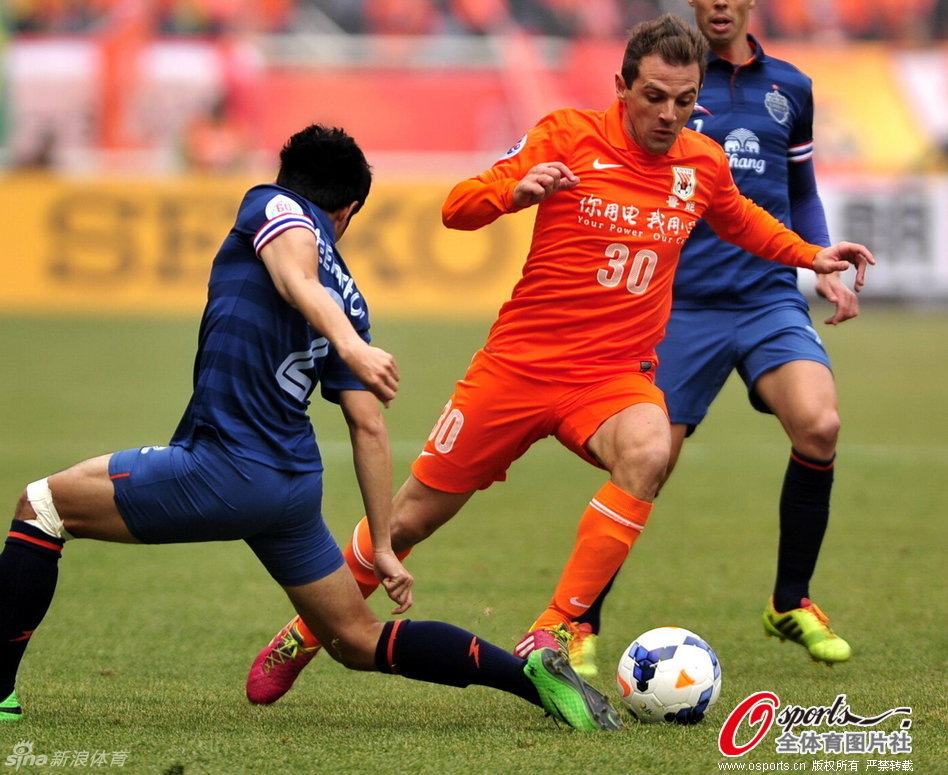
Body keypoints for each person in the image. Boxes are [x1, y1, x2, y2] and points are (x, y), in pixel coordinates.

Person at [246, 15, 872, 708]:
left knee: (649, 448)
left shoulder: (702, 162)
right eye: (654, 96)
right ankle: (304, 632)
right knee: (408, 521)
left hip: (611, 377)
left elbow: (741, 219)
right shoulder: (566, 135)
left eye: (685, 99)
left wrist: (812, 255)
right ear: (621, 87)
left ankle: (552, 630)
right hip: (518, 369)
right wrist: (513, 194)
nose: (669, 114)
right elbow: (457, 207)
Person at [0, 124, 621, 732]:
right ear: (349, 209)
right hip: (292, 489)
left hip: (222, 469)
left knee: (42, 506)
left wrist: (349, 348)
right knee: (357, 639)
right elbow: (368, 427)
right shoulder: (350, 297)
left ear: (291, 182)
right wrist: (381, 545)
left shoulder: (274, 206)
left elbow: (295, 274)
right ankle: (529, 679)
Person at [569, 0, 855, 677]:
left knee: (819, 424)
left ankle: (790, 601)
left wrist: (821, 262)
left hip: (767, 298)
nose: (720, 4)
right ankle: (578, 619)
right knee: (646, 461)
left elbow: (801, 189)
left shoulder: (792, 87)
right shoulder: (664, 89)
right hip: (679, 306)